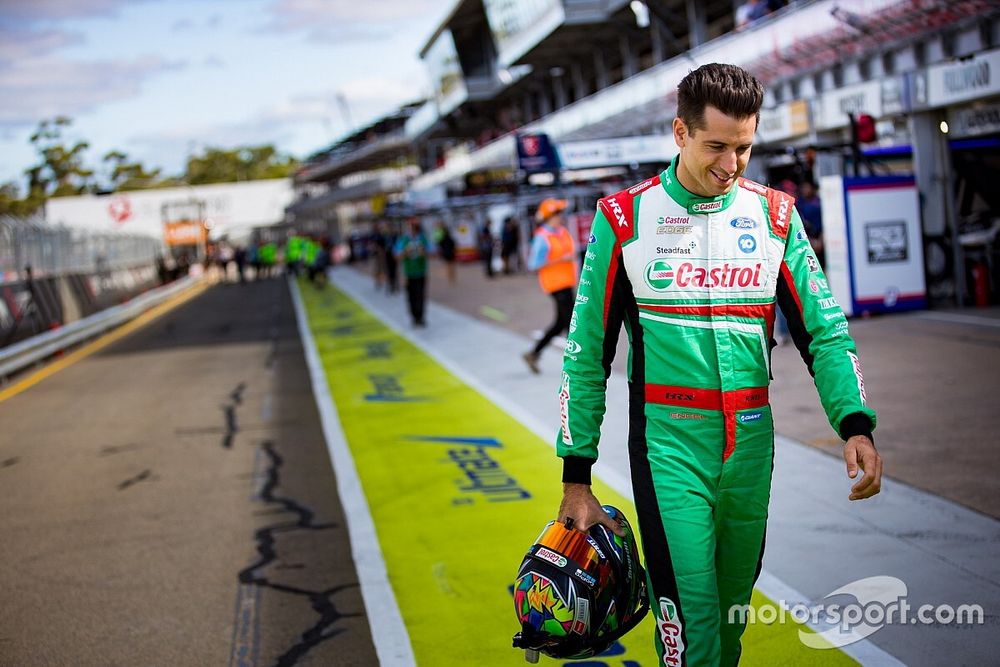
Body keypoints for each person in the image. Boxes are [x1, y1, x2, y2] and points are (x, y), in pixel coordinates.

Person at [553, 63, 882, 666]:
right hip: (668, 446)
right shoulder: (624, 218)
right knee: (694, 626)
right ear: (680, 133)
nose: (731, 165)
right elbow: (586, 353)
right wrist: (577, 475)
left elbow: (825, 331)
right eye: (717, 147)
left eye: (745, 148)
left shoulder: (777, 215)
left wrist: (853, 422)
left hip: (752, 446)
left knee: (731, 622)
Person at [522, 199, 576, 374]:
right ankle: (576, 363)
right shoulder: (542, 237)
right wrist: (560, 260)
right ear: (548, 217)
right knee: (571, 323)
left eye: (560, 213)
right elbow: (533, 264)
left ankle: (533, 353)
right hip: (555, 285)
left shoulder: (561, 231)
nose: (560, 217)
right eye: (556, 214)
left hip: (567, 282)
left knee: (561, 323)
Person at [395, 218, 430, 327]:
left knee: (420, 295)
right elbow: (397, 256)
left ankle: (421, 317)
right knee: (411, 296)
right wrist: (406, 251)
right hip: (409, 273)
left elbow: (431, 253)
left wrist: (423, 252)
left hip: (421, 271)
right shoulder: (404, 239)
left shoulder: (423, 238)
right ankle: (414, 317)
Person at [798, 179, 825, 267]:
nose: (805, 190)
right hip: (806, 240)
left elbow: (824, 224)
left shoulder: (819, 203)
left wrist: (820, 241)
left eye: (807, 187)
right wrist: (809, 240)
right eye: (803, 187)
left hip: (820, 239)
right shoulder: (799, 204)